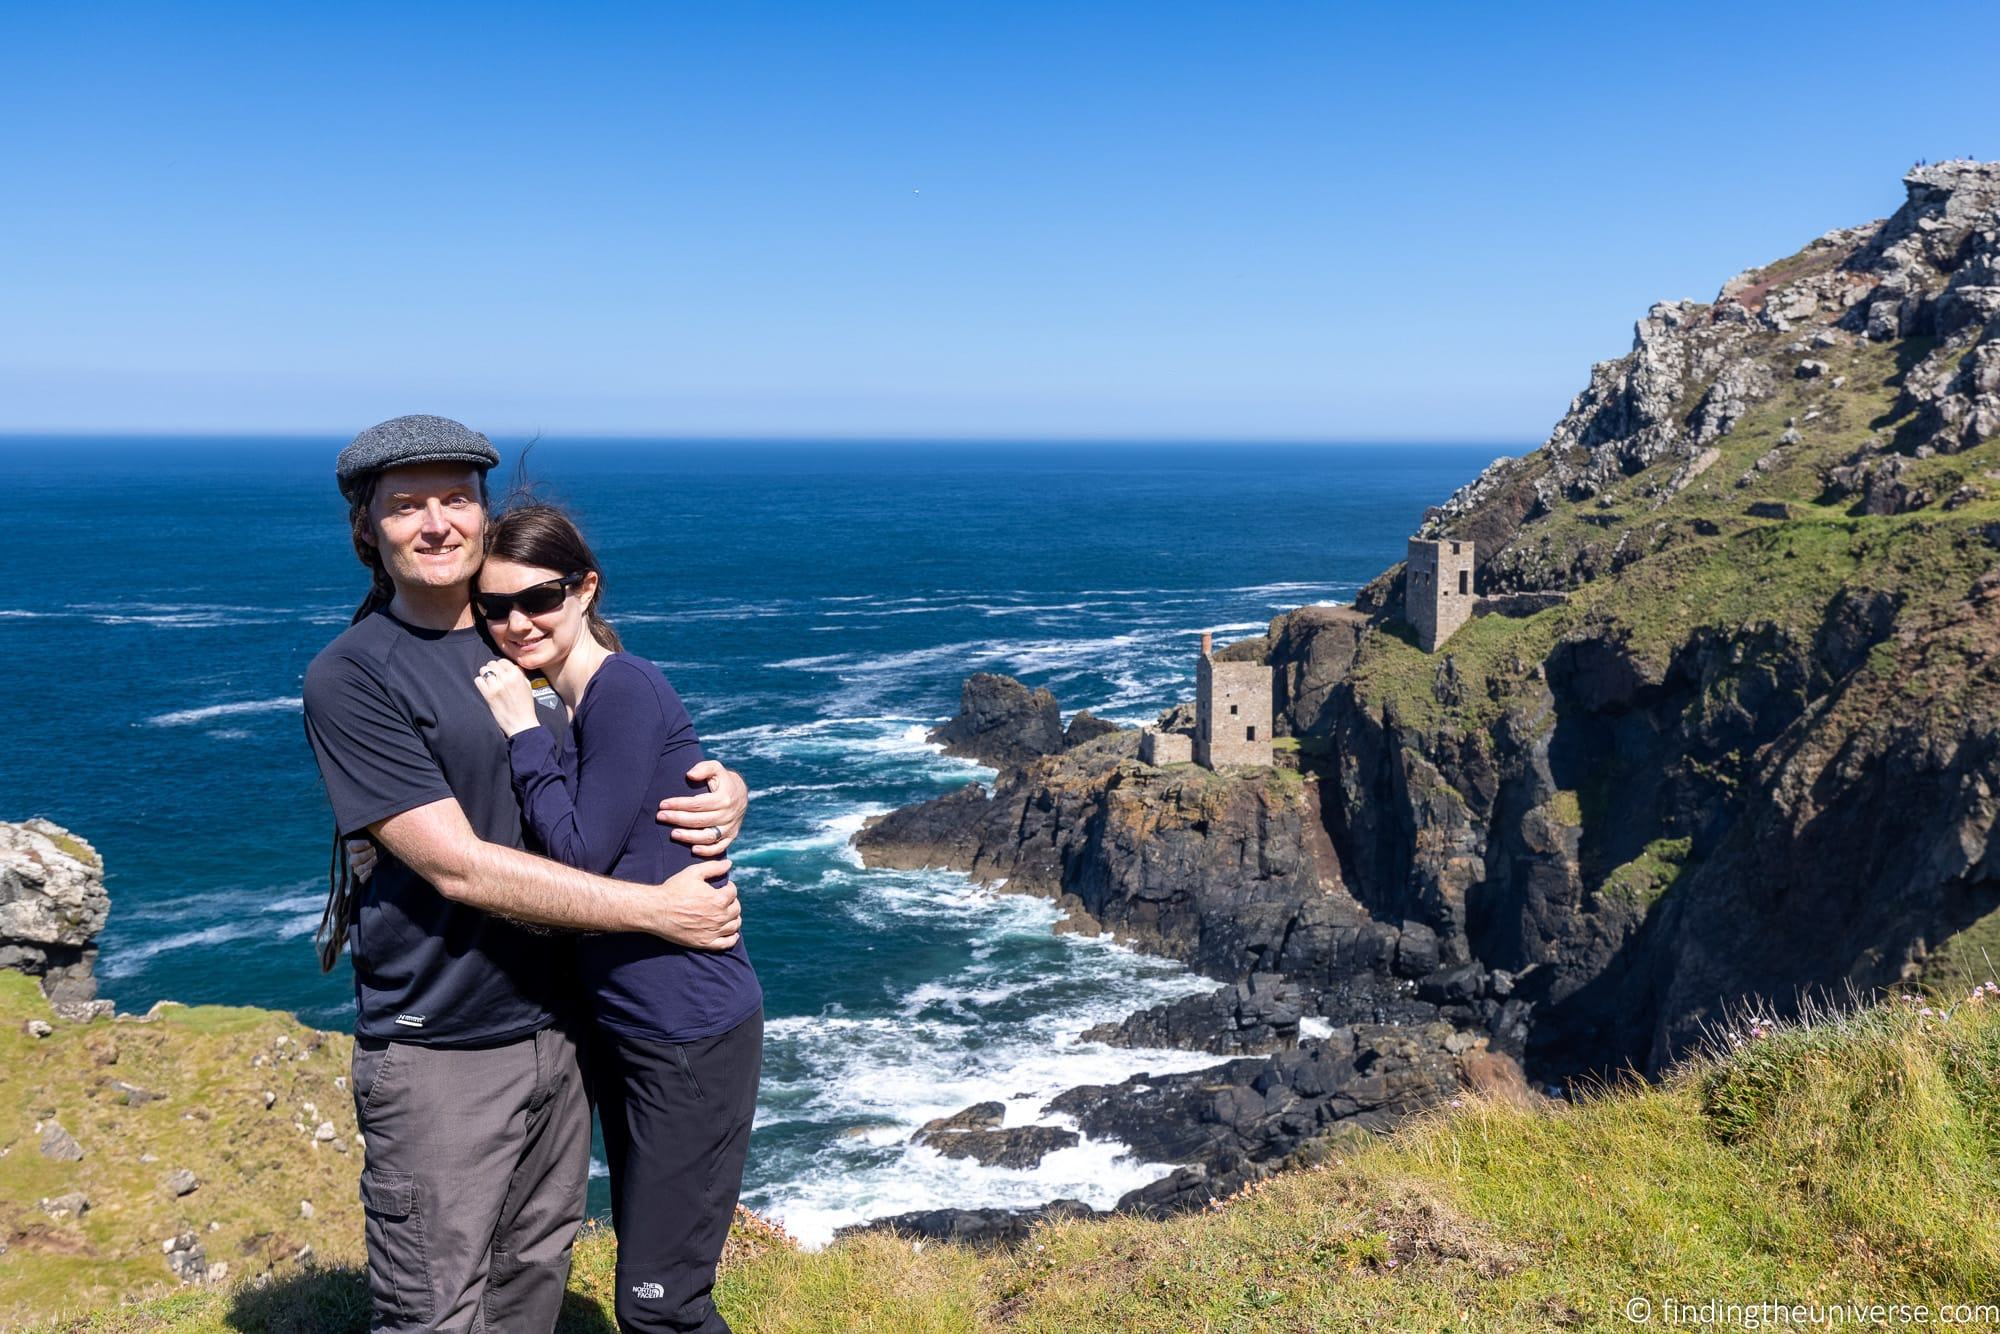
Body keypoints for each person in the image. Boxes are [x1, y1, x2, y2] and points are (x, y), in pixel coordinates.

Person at [302, 414, 752, 1334]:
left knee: (530, 1283)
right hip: (445, 1042)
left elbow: (631, 733)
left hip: (568, 1024)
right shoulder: (354, 676)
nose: (437, 523)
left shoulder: (518, 629)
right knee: (435, 1305)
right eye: (407, 506)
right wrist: (657, 914)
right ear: (368, 529)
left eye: (455, 499)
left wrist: (727, 788)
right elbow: (458, 867)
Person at [470, 504, 762, 1334]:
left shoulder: (619, 690)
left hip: (688, 1033)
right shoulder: (569, 699)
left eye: (542, 598)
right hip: (633, 1029)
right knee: (651, 1265)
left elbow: (580, 858)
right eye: (495, 607)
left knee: (659, 1304)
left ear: (585, 587)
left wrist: (522, 732)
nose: (518, 622)